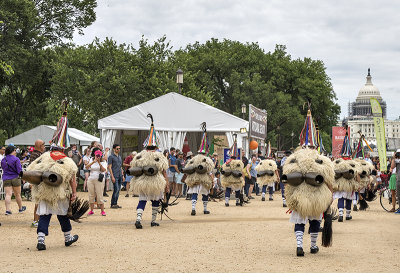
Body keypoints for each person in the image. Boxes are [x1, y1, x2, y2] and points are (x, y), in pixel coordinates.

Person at [132, 114, 169, 229]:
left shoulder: (140, 156)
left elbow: (134, 168)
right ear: (156, 146)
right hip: (156, 182)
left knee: (142, 200)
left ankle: (138, 219)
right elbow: (163, 171)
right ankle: (153, 221)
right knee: (156, 201)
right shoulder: (160, 156)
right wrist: (166, 184)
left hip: (143, 182)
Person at [1, 145, 26, 215]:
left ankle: (7, 210)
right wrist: (23, 178)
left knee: (8, 194)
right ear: (12, 151)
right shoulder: (16, 159)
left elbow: (3, 168)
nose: (16, 152)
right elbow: (19, 170)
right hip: (15, 178)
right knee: (17, 194)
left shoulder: (3, 159)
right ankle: (20, 208)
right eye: (15, 150)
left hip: (6, 178)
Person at [86, 148, 107, 216]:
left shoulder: (103, 161)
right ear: (94, 155)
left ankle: (102, 211)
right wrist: (93, 161)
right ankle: (91, 210)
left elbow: (103, 170)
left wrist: (99, 163)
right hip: (91, 178)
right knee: (91, 194)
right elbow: (86, 167)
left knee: (99, 194)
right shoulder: (91, 160)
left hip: (99, 179)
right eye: (96, 155)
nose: (98, 157)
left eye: (99, 156)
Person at [29, 139, 46, 227]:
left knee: (41, 201)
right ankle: (36, 221)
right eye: (43, 145)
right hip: (37, 181)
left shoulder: (39, 154)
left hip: (40, 180)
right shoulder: (35, 155)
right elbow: (33, 169)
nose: (44, 147)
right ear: (40, 146)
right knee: (38, 202)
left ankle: (40, 220)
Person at [108, 144, 124, 208]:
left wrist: (122, 175)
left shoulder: (119, 157)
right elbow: (109, 167)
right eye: (117, 148)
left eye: (119, 148)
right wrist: (112, 176)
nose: (118, 150)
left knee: (118, 190)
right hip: (115, 175)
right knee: (116, 189)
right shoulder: (111, 157)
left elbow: (120, 167)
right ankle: (113, 204)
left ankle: (115, 203)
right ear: (114, 149)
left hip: (120, 175)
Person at [390, 149, 400, 214]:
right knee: (398, 194)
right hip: (398, 179)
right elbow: (392, 166)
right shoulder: (397, 160)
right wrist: (394, 158)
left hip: (398, 178)